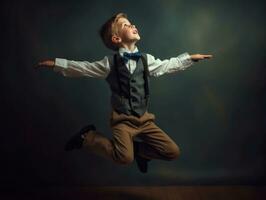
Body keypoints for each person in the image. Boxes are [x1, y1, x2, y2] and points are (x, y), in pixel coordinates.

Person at [36, 12, 213, 173]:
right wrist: (57, 64)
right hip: (122, 121)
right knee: (124, 158)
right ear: (116, 38)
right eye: (126, 25)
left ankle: (141, 153)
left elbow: (166, 66)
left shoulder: (146, 59)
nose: (132, 26)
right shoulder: (109, 63)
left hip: (144, 120)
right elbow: (84, 68)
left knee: (172, 151)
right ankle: (87, 137)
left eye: (131, 23)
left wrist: (189, 58)